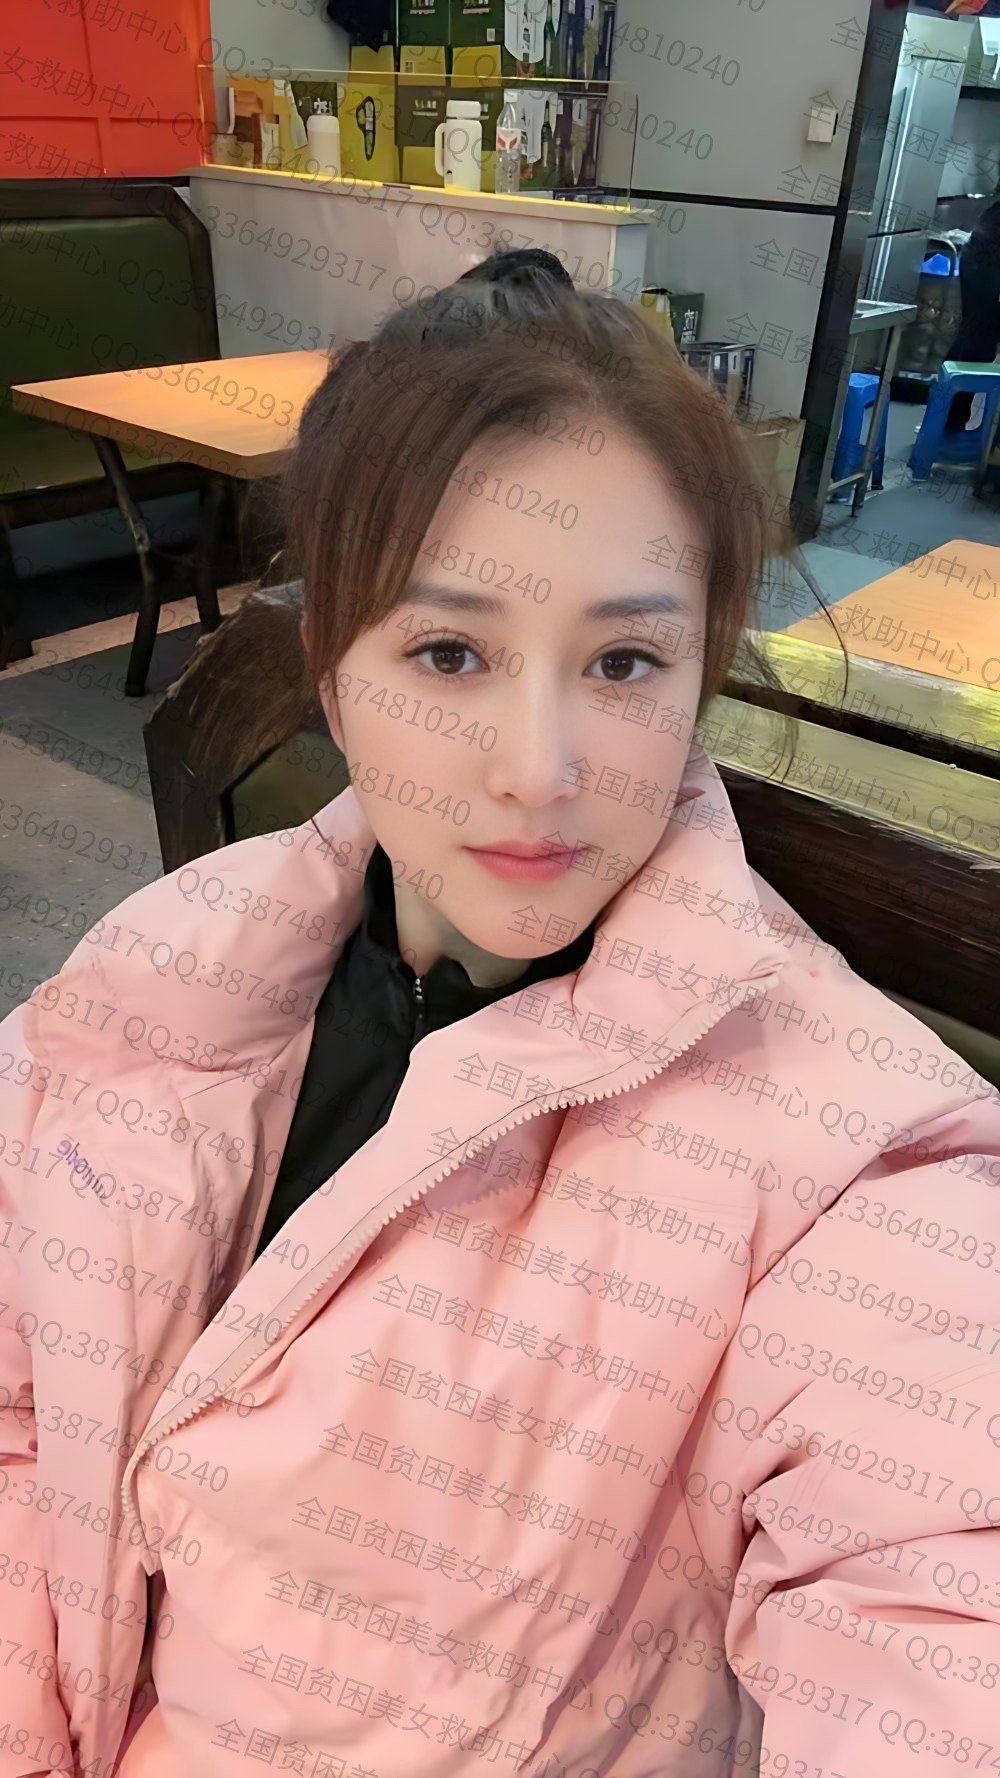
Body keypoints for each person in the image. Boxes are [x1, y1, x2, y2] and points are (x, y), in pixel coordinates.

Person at [1, 250, 999, 1778]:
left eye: (623, 660)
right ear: (333, 673)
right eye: (449, 652)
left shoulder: (854, 1157)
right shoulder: (166, 957)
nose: (539, 769)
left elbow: (934, 1595)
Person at [945, 193, 1000, 431]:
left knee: (978, 337)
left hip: (986, 249)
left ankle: (950, 417)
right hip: (988, 255)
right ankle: (949, 417)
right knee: (977, 338)